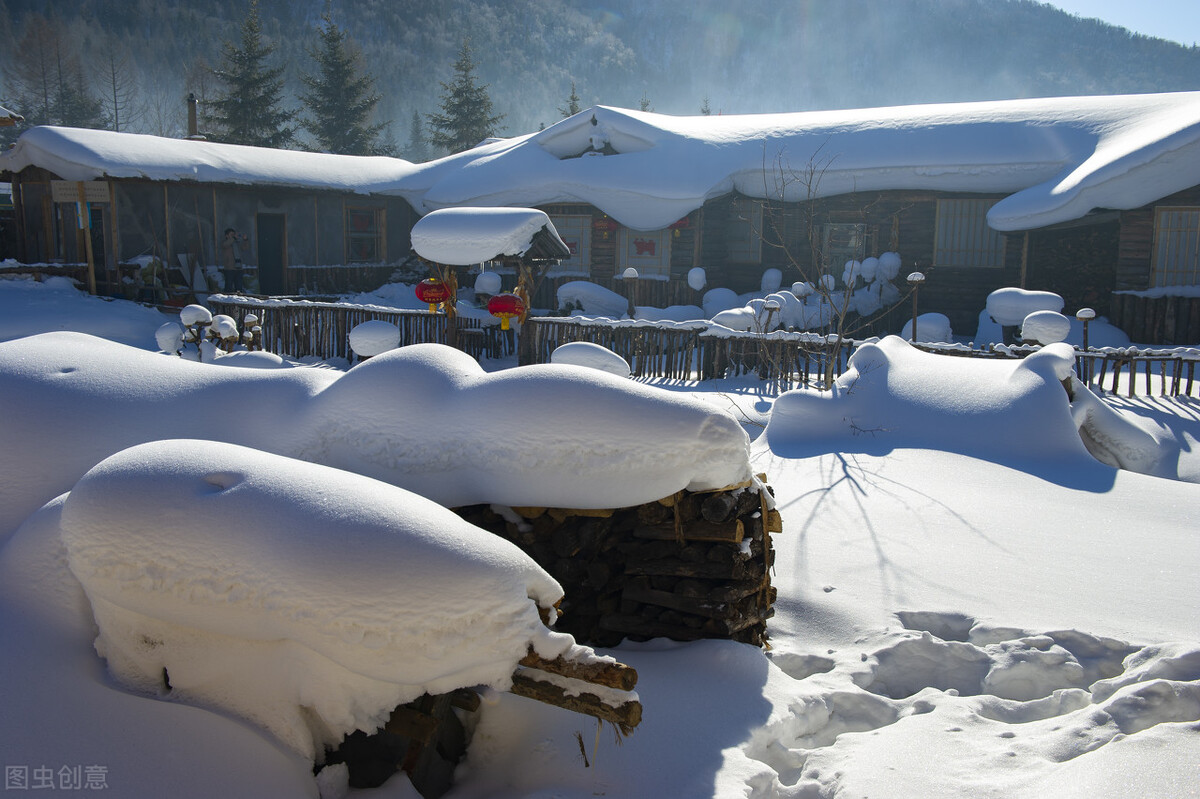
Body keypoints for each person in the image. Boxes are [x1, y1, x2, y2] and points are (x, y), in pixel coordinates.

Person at [220, 228, 250, 292]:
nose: (233, 236)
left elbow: (245, 248)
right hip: (229, 268)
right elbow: (226, 244)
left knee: (239, 286)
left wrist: (245, 240)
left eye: (234, 234)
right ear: (226, 236)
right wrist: (234, 238)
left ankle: (238, 297)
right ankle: (227, 297)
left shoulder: (237, 243)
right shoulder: (224, 243)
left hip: (238, 268)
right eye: (231, 234)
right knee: (229, 286)